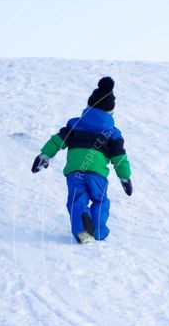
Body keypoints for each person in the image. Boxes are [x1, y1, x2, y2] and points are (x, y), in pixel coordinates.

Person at [32, 76, 133, 243]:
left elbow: (57, 141)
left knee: (77, 200)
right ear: (111, 112)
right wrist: (125, 177)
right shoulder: (112, 132)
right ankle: (98, 231)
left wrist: (45, 155)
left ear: (88, 107)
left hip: (75, 171)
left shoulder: (75, 124)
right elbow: (119, 157)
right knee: (100, 200)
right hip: (97, 173)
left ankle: (83, 230)